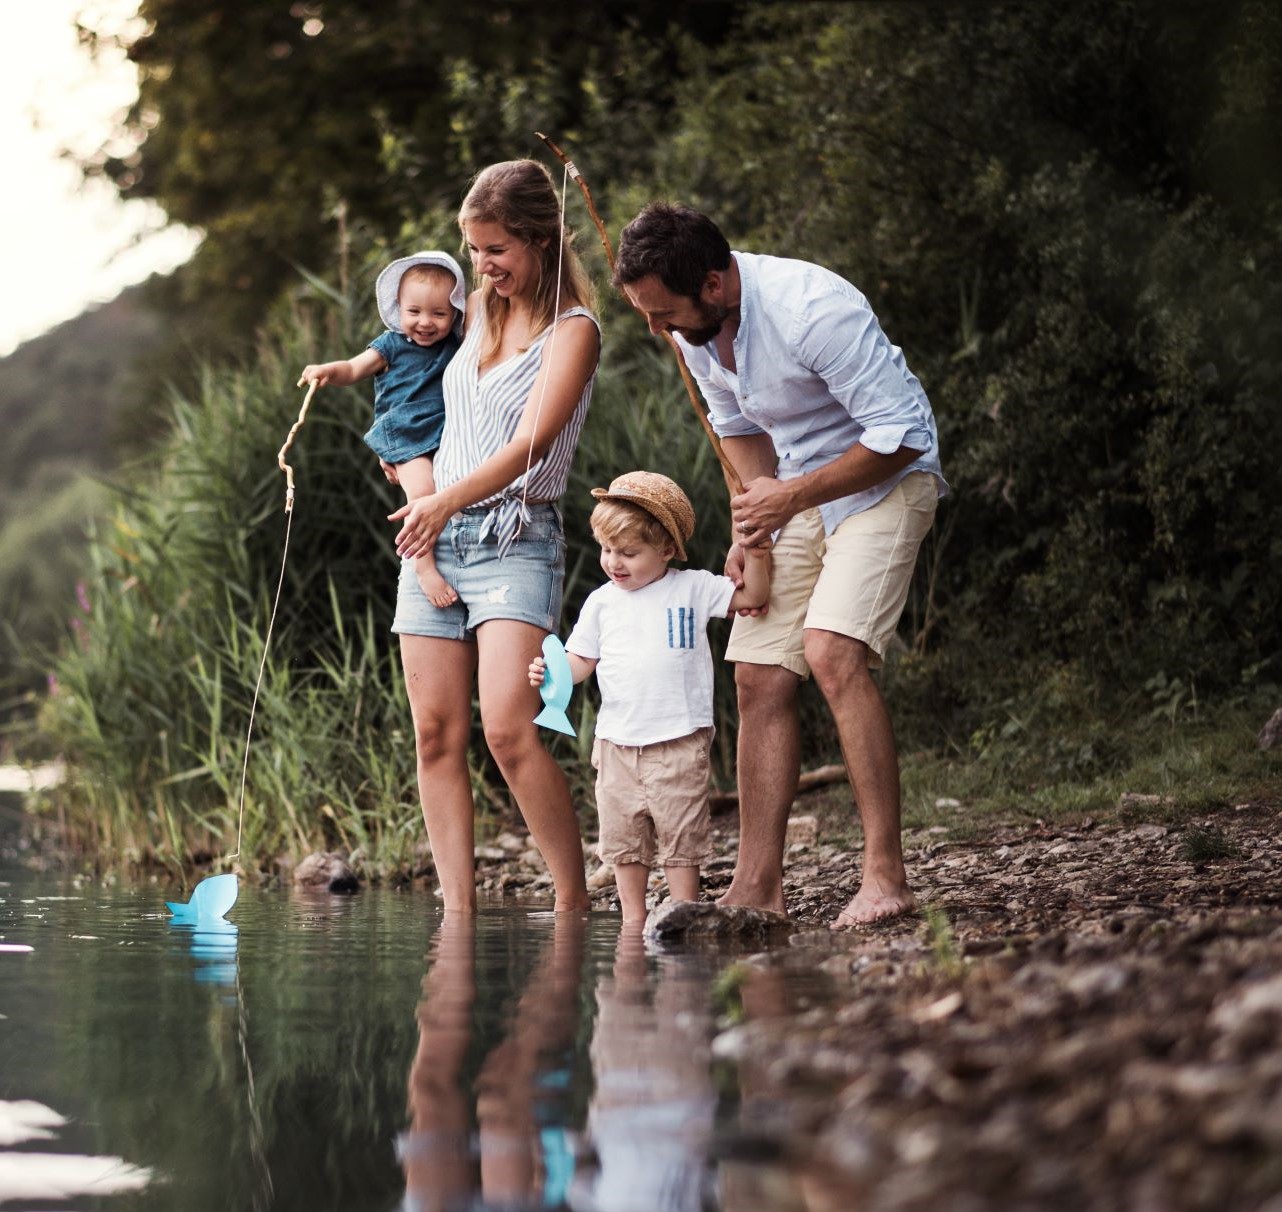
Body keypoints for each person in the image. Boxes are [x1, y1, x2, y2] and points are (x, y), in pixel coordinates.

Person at [613, 203, 947, 927]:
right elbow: (739, 433)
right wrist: (751, 522)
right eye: (645, 313)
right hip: (797, 494)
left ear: (713, 283)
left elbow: (904, 436)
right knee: (759, 672)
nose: (657, 328)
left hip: (888, 483)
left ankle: (885, 877)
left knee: (830, 653)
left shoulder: (811, 310)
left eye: (663, 311)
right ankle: (757, 888)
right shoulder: (694, 333)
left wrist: (788, 495)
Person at [388, 160, 602, 914]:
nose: (482, 266)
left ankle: (573, 904)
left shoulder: (575, 331)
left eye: (497, 250)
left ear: (541, 240)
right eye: (475, 250)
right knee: (434, 734)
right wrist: (421, 494)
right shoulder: (473, 308)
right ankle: (458, 914)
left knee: (510, 730)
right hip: (435, 538)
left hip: (517, 537)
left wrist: (442, 501)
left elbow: (532, 446)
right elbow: (406, 402)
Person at [528, 471, 769, 922]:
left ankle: (682, 912)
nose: (614, 562)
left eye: (629, 553)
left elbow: (753, 593)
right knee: (623, 840)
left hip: (679, 739)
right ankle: (633, 921)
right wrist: (551, 671)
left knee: (681, 834)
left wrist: (755, 549)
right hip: (618, 744)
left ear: (666, 549)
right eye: (606, 550)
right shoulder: (602, 602)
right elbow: (580, 662)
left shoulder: (692, 587)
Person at [300, 251, 467, 607]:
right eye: (414, 312)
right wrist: (328, 371)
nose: (425, 322)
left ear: (454, 312)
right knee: (422, 493)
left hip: (445, 433)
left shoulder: (456, 346)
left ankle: (456, 553)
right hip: (406, 434)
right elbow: (353, 368)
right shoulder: (391, 344)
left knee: (452, 489)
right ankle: (422, 567)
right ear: (398, 308)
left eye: (438, 313)